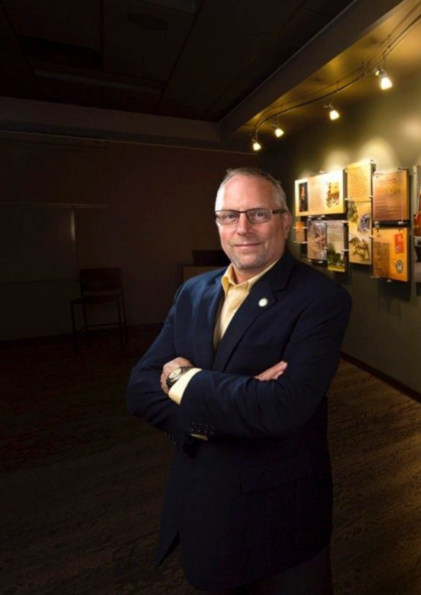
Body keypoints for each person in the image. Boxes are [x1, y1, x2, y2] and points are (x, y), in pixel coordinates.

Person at [125, 167, 351, 594]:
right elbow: (139, 388)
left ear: (285, 221)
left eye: (257, 214)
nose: (242, 228)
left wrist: (180, 379)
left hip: (281, 520)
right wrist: (229, 406)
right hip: (203, 505)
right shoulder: (193, 292)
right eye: (229, 216)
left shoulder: (321, 300)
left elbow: (283, 408)